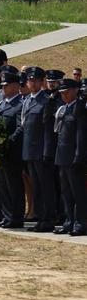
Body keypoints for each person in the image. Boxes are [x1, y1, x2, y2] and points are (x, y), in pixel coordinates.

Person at [53, 78, 87, 236]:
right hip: (63, 156)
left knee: (77, 193)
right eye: (62, 93)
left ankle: (80, 223)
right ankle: (69, 221)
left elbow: (81, 135)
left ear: (75, 90)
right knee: (66, 192)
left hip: (74, 158)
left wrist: (79, 156)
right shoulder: (64, 108)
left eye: (67, 92)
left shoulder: (80, 108)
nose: (64, 95)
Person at [0, 70, 26, 229]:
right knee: (3, 185)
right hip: (0, 153)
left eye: (6, 86)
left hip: (12, 152)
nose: (3, 89)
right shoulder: (2, 104)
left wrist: (8, 142)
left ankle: (16, 217)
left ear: (15, 86)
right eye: (3, 86)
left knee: (14, 186)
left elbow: (20, 128)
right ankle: (6, 216)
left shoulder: (20, 104)